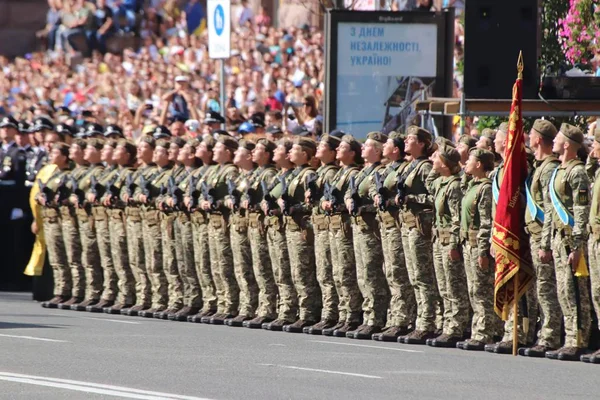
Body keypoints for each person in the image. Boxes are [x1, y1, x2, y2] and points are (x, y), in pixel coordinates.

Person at [545, 123, 592, 361]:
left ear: (566, 145)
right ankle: (569, 337)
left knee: (575, 290)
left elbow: (582, 209)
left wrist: (577, 244)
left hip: (570, 239)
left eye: (557, 140)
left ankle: (578, 339)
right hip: (556, 237)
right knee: (563, 289)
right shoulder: (559, 171)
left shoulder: (577, 172)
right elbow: (549, 209)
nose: (552, 142)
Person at [520, 120, 562, 357]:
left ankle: (550, 336)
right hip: (533, 236)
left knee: (547, 289)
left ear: (538, 139)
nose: (527, 136)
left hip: (542, 237)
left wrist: (545, 243)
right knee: (541, 288)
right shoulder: (539, 166)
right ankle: (543, 333)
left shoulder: (547, 169)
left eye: (531, 134)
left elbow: (548, 211)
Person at [370, 132, 417, 342]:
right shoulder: (387, 169)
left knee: (399, 273)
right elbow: (373, 187)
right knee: (389, 272)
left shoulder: (404, 168)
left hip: (399, 226)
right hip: (386, 226)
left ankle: (403, 319)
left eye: (387, 145)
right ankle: (394, 318)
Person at [344, 131, 389, 340]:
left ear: (378, 151)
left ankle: (375, 318)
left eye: (368, 146)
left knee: (372, 274)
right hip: (359, 227)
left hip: (371, 229)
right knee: (362, 274)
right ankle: (367, 315)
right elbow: (349, 193)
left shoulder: (380, 171)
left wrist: (365, 206)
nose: (363, 148)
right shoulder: (362, 172)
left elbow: (378, 200)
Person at [398, 126, 439, 345]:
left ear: (421, 143)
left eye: (411, 139)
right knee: (413, 276)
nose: (405, 141)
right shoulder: (409, 167)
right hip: (407, 226)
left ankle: (427, 323)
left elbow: (435, 196)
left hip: (419, 227)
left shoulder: (425, 167)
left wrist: (414, 199)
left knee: (423, 277)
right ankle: (418, 320)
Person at [457, 149, 498, 351]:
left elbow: (485, 223)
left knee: (481, 290)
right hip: (468, 244)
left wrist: (483, 251)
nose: (465, 163)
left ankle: (484, 332)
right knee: (473, 289)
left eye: (470, 160)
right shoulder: (472, 186)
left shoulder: (485, 188)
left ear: (480, 164)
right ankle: (477, 330)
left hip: (477, 245)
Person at [200, 134, 240, 324]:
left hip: (223, 222)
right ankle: (219, 302)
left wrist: (218, 202)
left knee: (224, 265)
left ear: (227, 152)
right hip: (213, 222)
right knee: (214, 265)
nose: (214, 150)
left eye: (218, 148)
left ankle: (229, 304)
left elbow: (232, 197)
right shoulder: (215, 170)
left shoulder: (230, 171)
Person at [304, 134, 341, 335]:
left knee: (330, 272)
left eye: (323, 146)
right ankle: (329, 313)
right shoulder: (320, 172)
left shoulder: (330, 173)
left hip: (328, 227)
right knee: (324, 273)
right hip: (320, 227)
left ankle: (332, 314)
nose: (318, 148)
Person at [242, 138, 279, 329]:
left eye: (257, 150)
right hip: (253, 225)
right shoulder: (256, 173)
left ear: (266, 154)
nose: (252, 153)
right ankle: (258, 308)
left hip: (263, 226)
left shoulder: (269, 174)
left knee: (265, 268)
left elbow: (269, 199)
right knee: (257, 268)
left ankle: (267, 309)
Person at [224, 139, 259, 327]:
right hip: (237, 226)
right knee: (239, 268)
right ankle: (243, 306)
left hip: (250, 227)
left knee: (251, 269)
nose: (234, 154)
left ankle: (251, 307)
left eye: (239, 151)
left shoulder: (257, 176)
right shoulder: (239, 177)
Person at [37, 143, 73, 308]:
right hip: (49, 218)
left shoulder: (68, 174)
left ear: (64, 157)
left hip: (61, 219)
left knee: (68, 257)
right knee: (56, 259)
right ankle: (59, 290)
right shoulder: (54, 174)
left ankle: (68, 291)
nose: (51, 155)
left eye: (55, 153)